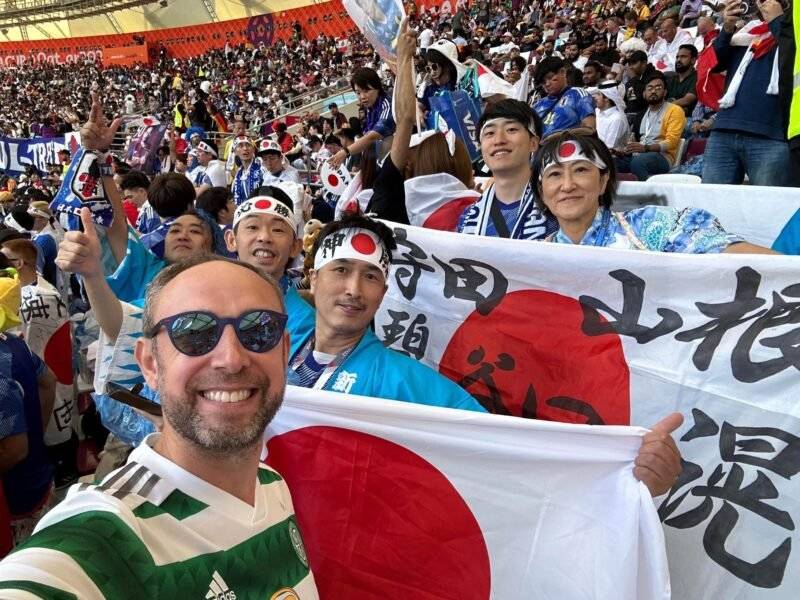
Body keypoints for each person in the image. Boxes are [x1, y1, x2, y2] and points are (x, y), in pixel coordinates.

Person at [0, 255, 319, 597]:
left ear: (284, 352)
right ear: (150, 364)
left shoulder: (272, 485)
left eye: (259, 329)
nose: (232, 359)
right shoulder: (105, 537)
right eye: (194, 331)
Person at [288, 214, 483, 412]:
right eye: (341, 270)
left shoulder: (403, 382)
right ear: (313, 279)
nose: (354, 290)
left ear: (382, 294)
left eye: (370, 276)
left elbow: (484, 432)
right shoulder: (276, 347)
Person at [533, 131, 778, 254]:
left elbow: (723, 250)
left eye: (580, 170)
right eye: (555, 174)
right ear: (541, 190)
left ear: (603, 180)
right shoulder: (533, 258)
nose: (567, 185)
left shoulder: (650, 226)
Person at [0, 260, 57, 548]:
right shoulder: (12, 343)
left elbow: (14, 449)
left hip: (15, 504)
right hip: (40, 481)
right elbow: (49, 380)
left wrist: (28, 440)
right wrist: (38, 432)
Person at [702, 0, 790, 186]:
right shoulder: (746, 32)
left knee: (769, 209)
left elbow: (791, 55)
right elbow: (714, 65)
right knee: (712, 206)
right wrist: (727, 28)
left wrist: (777, 21)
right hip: (724, 130)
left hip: (771, 135)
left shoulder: (792, 32)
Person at [458, 99, 558, 240]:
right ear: (481, 147)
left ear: (533, 143)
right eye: (490, 133)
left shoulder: (557, 208)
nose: (499, 140)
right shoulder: (467, 217)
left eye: (511, 129)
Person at [616, 72, 686, 180]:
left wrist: (646, 148)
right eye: (649, 88)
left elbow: (671, 142)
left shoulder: (675, 110)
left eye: (658, 88)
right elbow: (634, 140)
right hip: (639, 154)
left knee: (638, 162)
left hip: (663, 157)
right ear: (644, 93)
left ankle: (646, 195)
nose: (653, 91)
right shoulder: (641, 114)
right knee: (611, 162)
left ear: (665, 92)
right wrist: (623, 150)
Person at [328, 67, 395, 168]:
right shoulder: (369, 108)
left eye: (366, 90)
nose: (362, 96)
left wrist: (345, 152)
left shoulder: (387, 104)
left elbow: (373, 136)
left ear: (377, 87)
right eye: (358, 93)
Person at [533, 57, 596, 137]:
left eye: (550, 78)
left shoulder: (577, 94)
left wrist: (558, 137)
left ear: (562, 72)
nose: (547, 84)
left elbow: (590, 128)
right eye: (543, 82)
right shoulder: (539, 104)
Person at [589, 81, 631, 151]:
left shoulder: (617, 119)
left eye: (599, 94)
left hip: (612, 157)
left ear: (607, 98)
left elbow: (609, 147)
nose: (595, 97)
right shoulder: (596, 111)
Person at [666, 44, 698, 117]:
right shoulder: (670, 78)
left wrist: (664, 107)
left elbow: (687, 100)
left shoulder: (697, 77)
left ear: (693, 60)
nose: (678, 60)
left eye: (683, 57)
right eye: (677, 57)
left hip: (686, 119)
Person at [231, 136, 263, 205]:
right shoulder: (238, 174)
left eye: (248, 145)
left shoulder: (262, 166)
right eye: (240, 146)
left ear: (253, 149)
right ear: (235, 151)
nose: (245, 149)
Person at [624, 50, 658, 115]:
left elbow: (644, 99)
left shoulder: (654, 76)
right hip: (630, 113)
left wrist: (633, 78)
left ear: (644, 63)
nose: (631, 67)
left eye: (634, 63)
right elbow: (629, 99)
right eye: (630, 64)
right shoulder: (635, 77)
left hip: (644, 113)